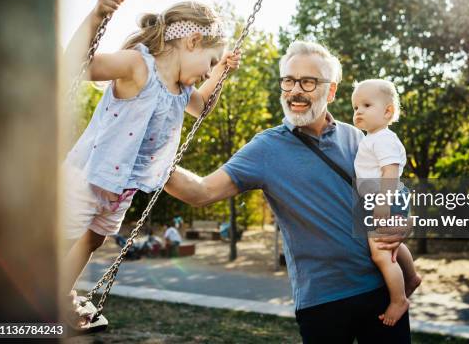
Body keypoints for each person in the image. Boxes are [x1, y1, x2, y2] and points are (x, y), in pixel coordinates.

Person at [166, 41, 412, 343]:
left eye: (308, 82)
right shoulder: (265, 148)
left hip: (380, 290)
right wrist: (151, 159)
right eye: (289, 81)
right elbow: (200, 192)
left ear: (331, 92)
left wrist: (403, 221)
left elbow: (392, 190)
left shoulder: (356, 136)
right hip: (322, 302)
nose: (296, 90)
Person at [61, 0, 241, 325]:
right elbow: (79, 66)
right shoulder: (138, 65)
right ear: (192, 41)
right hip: (87, 176)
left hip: (123, 186)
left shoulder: (182, 91)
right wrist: (97, 15)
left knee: (93, 240)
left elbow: (202, 107)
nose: (208, 70)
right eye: (210, 61)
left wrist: (220, 73)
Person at [352, 79, 422, 326]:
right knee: (391, 244)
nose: (358, 111)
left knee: (380, 254)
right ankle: (411, 277)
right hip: (380, 199)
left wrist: (381, 205)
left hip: (384, 199)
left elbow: (390, 173)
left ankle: (398, 299)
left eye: (366, 105)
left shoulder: (383, 139)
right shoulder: (372, 138)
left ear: (388, 111)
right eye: (355, 107)